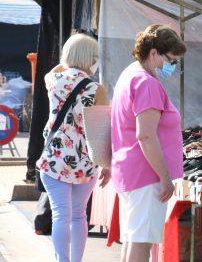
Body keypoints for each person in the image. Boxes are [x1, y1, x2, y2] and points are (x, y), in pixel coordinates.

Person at [110, 24, 186, 262]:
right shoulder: (147, 84)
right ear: (154, 53)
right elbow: (146, 135)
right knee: (141, 242)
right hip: (147, 173)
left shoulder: (129, 75)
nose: (173, 66)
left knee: (134, 239)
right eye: (171, 60)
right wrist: (164, 176)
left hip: (131, 170)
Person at [35, 33, 110, 262]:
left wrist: (68, 60)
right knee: (79, 216)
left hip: (54, 158)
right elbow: (102, 132)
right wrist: (107, 164)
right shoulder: (97, 90)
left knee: (60, 215)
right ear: (92, 58)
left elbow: (55, 69)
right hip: (84, 162)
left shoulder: (53, 80)